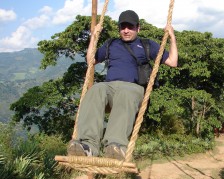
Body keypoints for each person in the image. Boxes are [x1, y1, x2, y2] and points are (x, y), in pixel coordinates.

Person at [67, 10, 178, 160]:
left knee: (125, 93)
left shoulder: (146, 44)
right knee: (95, 89)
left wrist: (172, 37)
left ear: (138, 28)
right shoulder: (111, 44)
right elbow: (91, 60)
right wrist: (93, 36)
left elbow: (173, 62)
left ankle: (115, 146)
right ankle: (88, 145)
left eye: (130, 27)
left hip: (133, 89)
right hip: (110, 88)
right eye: (123, 27)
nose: (126, 31)